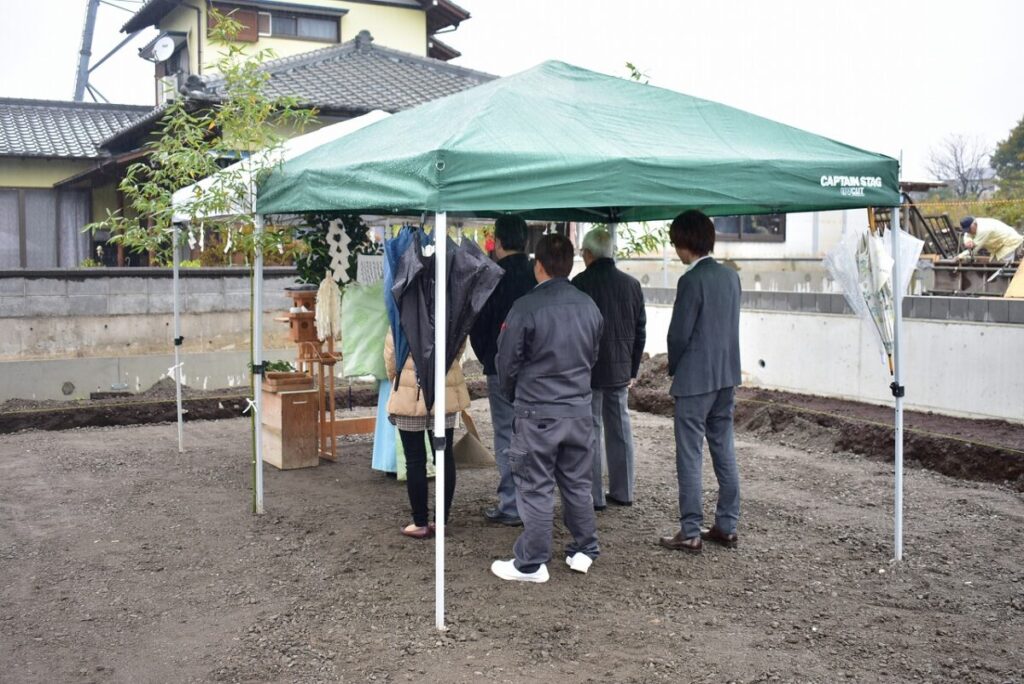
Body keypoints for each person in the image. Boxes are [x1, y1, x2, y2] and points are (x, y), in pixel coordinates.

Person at [490, 234, 603, 583]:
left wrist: (514, 396)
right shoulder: (589, 305)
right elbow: (593, 356)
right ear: (571, 264)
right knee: (577, 484)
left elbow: (506, 361)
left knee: (535, 485)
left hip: (537, 413)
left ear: (537, 265)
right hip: (579, 412)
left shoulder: (526, 307)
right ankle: (584, 549)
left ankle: (531, 562)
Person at [658, 209, 742, 554]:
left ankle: (690, 530)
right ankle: (727, 524)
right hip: (726, 376)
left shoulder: (691, 281)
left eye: (676, 243)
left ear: (685, 243)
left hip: (695, 379)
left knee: (689, 454)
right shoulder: (730, 277)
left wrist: (674, 367)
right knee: (723, 448)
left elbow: (678, 335)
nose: (676, 251)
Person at [571, 227, 646, 509]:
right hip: (619, 370)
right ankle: (624, 491)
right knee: (620, 428)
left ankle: (594, 496)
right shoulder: (632, 285)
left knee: (590, 429)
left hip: (587, 370)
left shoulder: (579, 283)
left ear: (588, 254)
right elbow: (640, 331)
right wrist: (632, 369)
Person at [469, 215, 537, 527]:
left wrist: (490, 359)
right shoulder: (539, 274)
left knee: (507, 434)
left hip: (500, 369)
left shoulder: (491, 278)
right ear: (525, 240)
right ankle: (535, 500)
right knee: (538, 433)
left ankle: (511, 502)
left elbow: (477, 326)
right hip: (538, 371)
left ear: (496, 240)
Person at [384, 329, 470, 539]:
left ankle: (420, 522)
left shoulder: (402, 307)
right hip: (444, 389)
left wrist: (398, 377)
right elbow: (459, 345)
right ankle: (441, 521)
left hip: (408, 388)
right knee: (444, 456)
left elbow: (391, 356)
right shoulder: (449, 309)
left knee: (414, 460)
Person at [957, 216, 1023, 263]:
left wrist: (960, 256)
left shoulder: (983, 230)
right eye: (966, 230)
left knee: (1003, 266)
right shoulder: (975, 224)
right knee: (993, 263)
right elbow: (967, 235)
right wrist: (968, 241)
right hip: (999, 246)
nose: (969, 232)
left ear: (973, 224)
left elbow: (974, 249)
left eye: (969, 229)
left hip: (1009, 242)